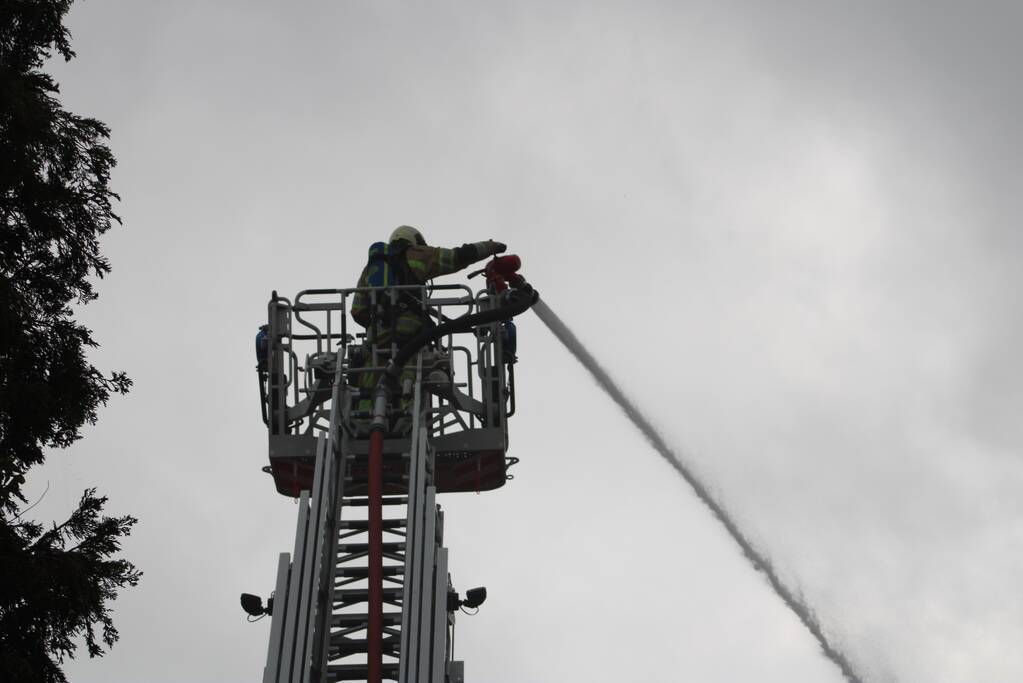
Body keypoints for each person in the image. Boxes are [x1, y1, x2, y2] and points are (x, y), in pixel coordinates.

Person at [350, 225, 507, 420]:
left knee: (369, 389)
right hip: (411, 341)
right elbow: (457, 257)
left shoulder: (372, 268)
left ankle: (364, 424)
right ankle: (408, 419)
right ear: (414, 240)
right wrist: (491, 246)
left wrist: (382, 316)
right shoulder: (416, 254)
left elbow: (357, 311)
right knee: (410, 386)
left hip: (377, 343)